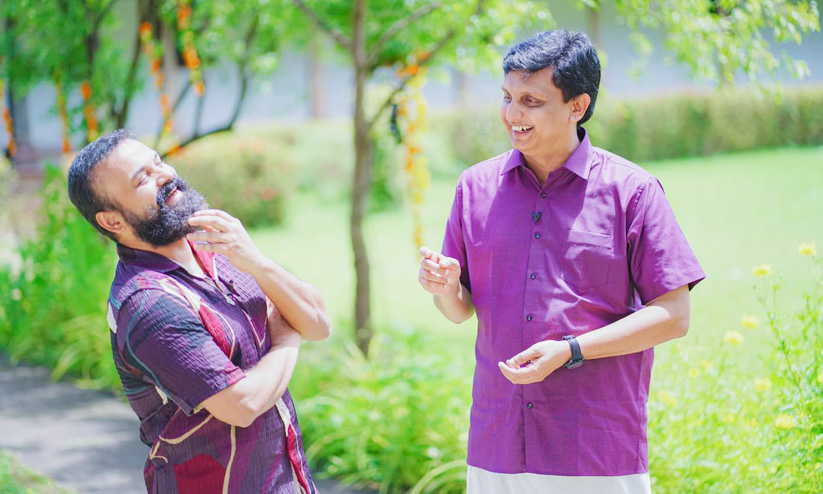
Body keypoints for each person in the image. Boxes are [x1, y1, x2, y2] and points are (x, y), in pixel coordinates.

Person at [418, 30, 704, 494]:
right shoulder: (474, 188)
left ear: (577, 105)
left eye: (531, 101)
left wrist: (571, 350)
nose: (512, 114)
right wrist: (446, 288)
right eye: (507, 97)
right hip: (498, 443)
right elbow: (459, 310)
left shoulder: (632, 192)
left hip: (596, 448)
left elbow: (674, 315)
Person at [67, 129, 331, 494]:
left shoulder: (218, 246)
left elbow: (317, 323)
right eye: (142, 179)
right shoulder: (148, 304)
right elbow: (243, 404)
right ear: (112, 221)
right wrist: (286, 338)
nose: (165, 175)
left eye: (158, 162)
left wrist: (255, 260)